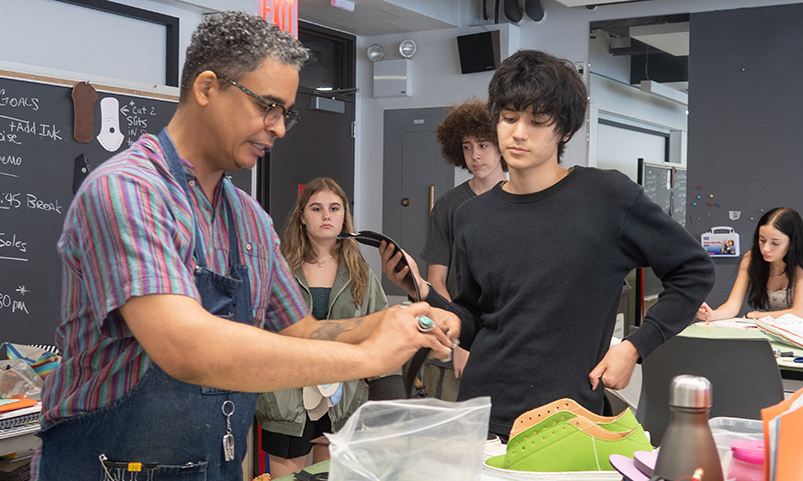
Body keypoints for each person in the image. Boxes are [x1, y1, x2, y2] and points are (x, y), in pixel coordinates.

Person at [36, 12, 456, 481]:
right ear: (207, 87)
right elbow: (186, 347)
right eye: (267, 106)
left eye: (286, 114)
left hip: (212, 464)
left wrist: (389, 321)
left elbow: (299, 331)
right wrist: (368, 358)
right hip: (109, 467)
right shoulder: (127, 192)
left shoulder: (248, 218)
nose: (277, 127)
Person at [381, 49, 715, 440]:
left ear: (565, 132)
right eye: (508, 118)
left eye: (537, 121)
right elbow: (477, 321)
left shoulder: (607, 197)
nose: (518, 133)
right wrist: (421, 291)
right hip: (484, 414)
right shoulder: (471, 216)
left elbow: (693, 271)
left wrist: (634, 347)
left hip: (569, 417)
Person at [255, 177, 399, 478]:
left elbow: (381, 330)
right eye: (317, 208)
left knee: (332, 476)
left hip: (342, 399)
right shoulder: (278, 270)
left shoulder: (361, 273)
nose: (326, 216)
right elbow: (259, 332)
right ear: (302, 218)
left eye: (334, 208)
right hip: (286, 398)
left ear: (344, 216)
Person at [419, 100, 507, 397]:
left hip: (505, 342)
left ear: (501, 145)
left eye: (483, 145)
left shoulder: (521, 202)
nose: (475, 155)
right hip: (456, 336)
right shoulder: (448, 205)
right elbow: (437, 280)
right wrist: (461, 339)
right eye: (467, 147)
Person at [697, 207, 803, 322]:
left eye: (775, 243)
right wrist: (713, 315)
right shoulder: (750, 260)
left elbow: (798, 314)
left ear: (792, 243)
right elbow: (733, 305)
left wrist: (754, 315)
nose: (765, 249)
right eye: (762, 240)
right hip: (775, 330)